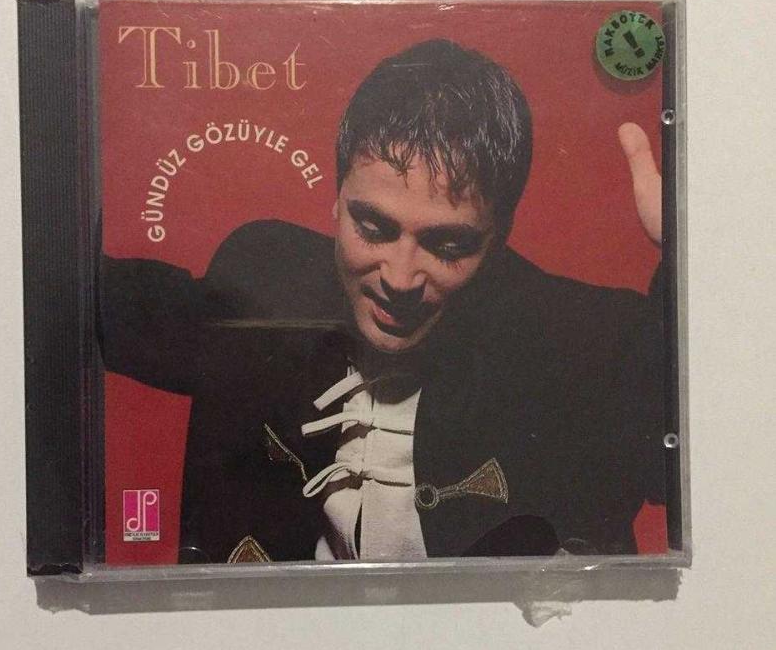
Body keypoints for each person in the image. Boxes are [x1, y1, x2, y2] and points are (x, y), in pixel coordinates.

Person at [100, 39, 665, 563]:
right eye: (372, 228)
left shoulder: (587, 342)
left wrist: (692, 262)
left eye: (447, 245)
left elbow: (690, 468)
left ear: (501, 235)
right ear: (336, 198)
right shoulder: (262, 277)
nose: (399, 278)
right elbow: (92, 308)